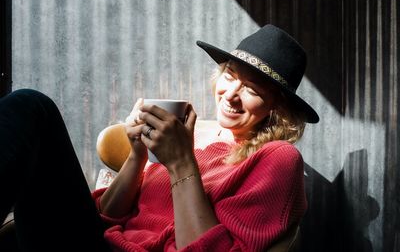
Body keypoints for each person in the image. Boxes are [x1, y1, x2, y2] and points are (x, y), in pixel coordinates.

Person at [0, 24, 319, 252]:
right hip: (99, 239)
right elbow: (108, 216)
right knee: (30, 107)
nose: (231, 95)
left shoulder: (276, 158)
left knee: (32, 108)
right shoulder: (189, 134)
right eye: (230, 75)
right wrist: (137, 155)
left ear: (277, 108)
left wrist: (181, 162)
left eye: (252, 90)